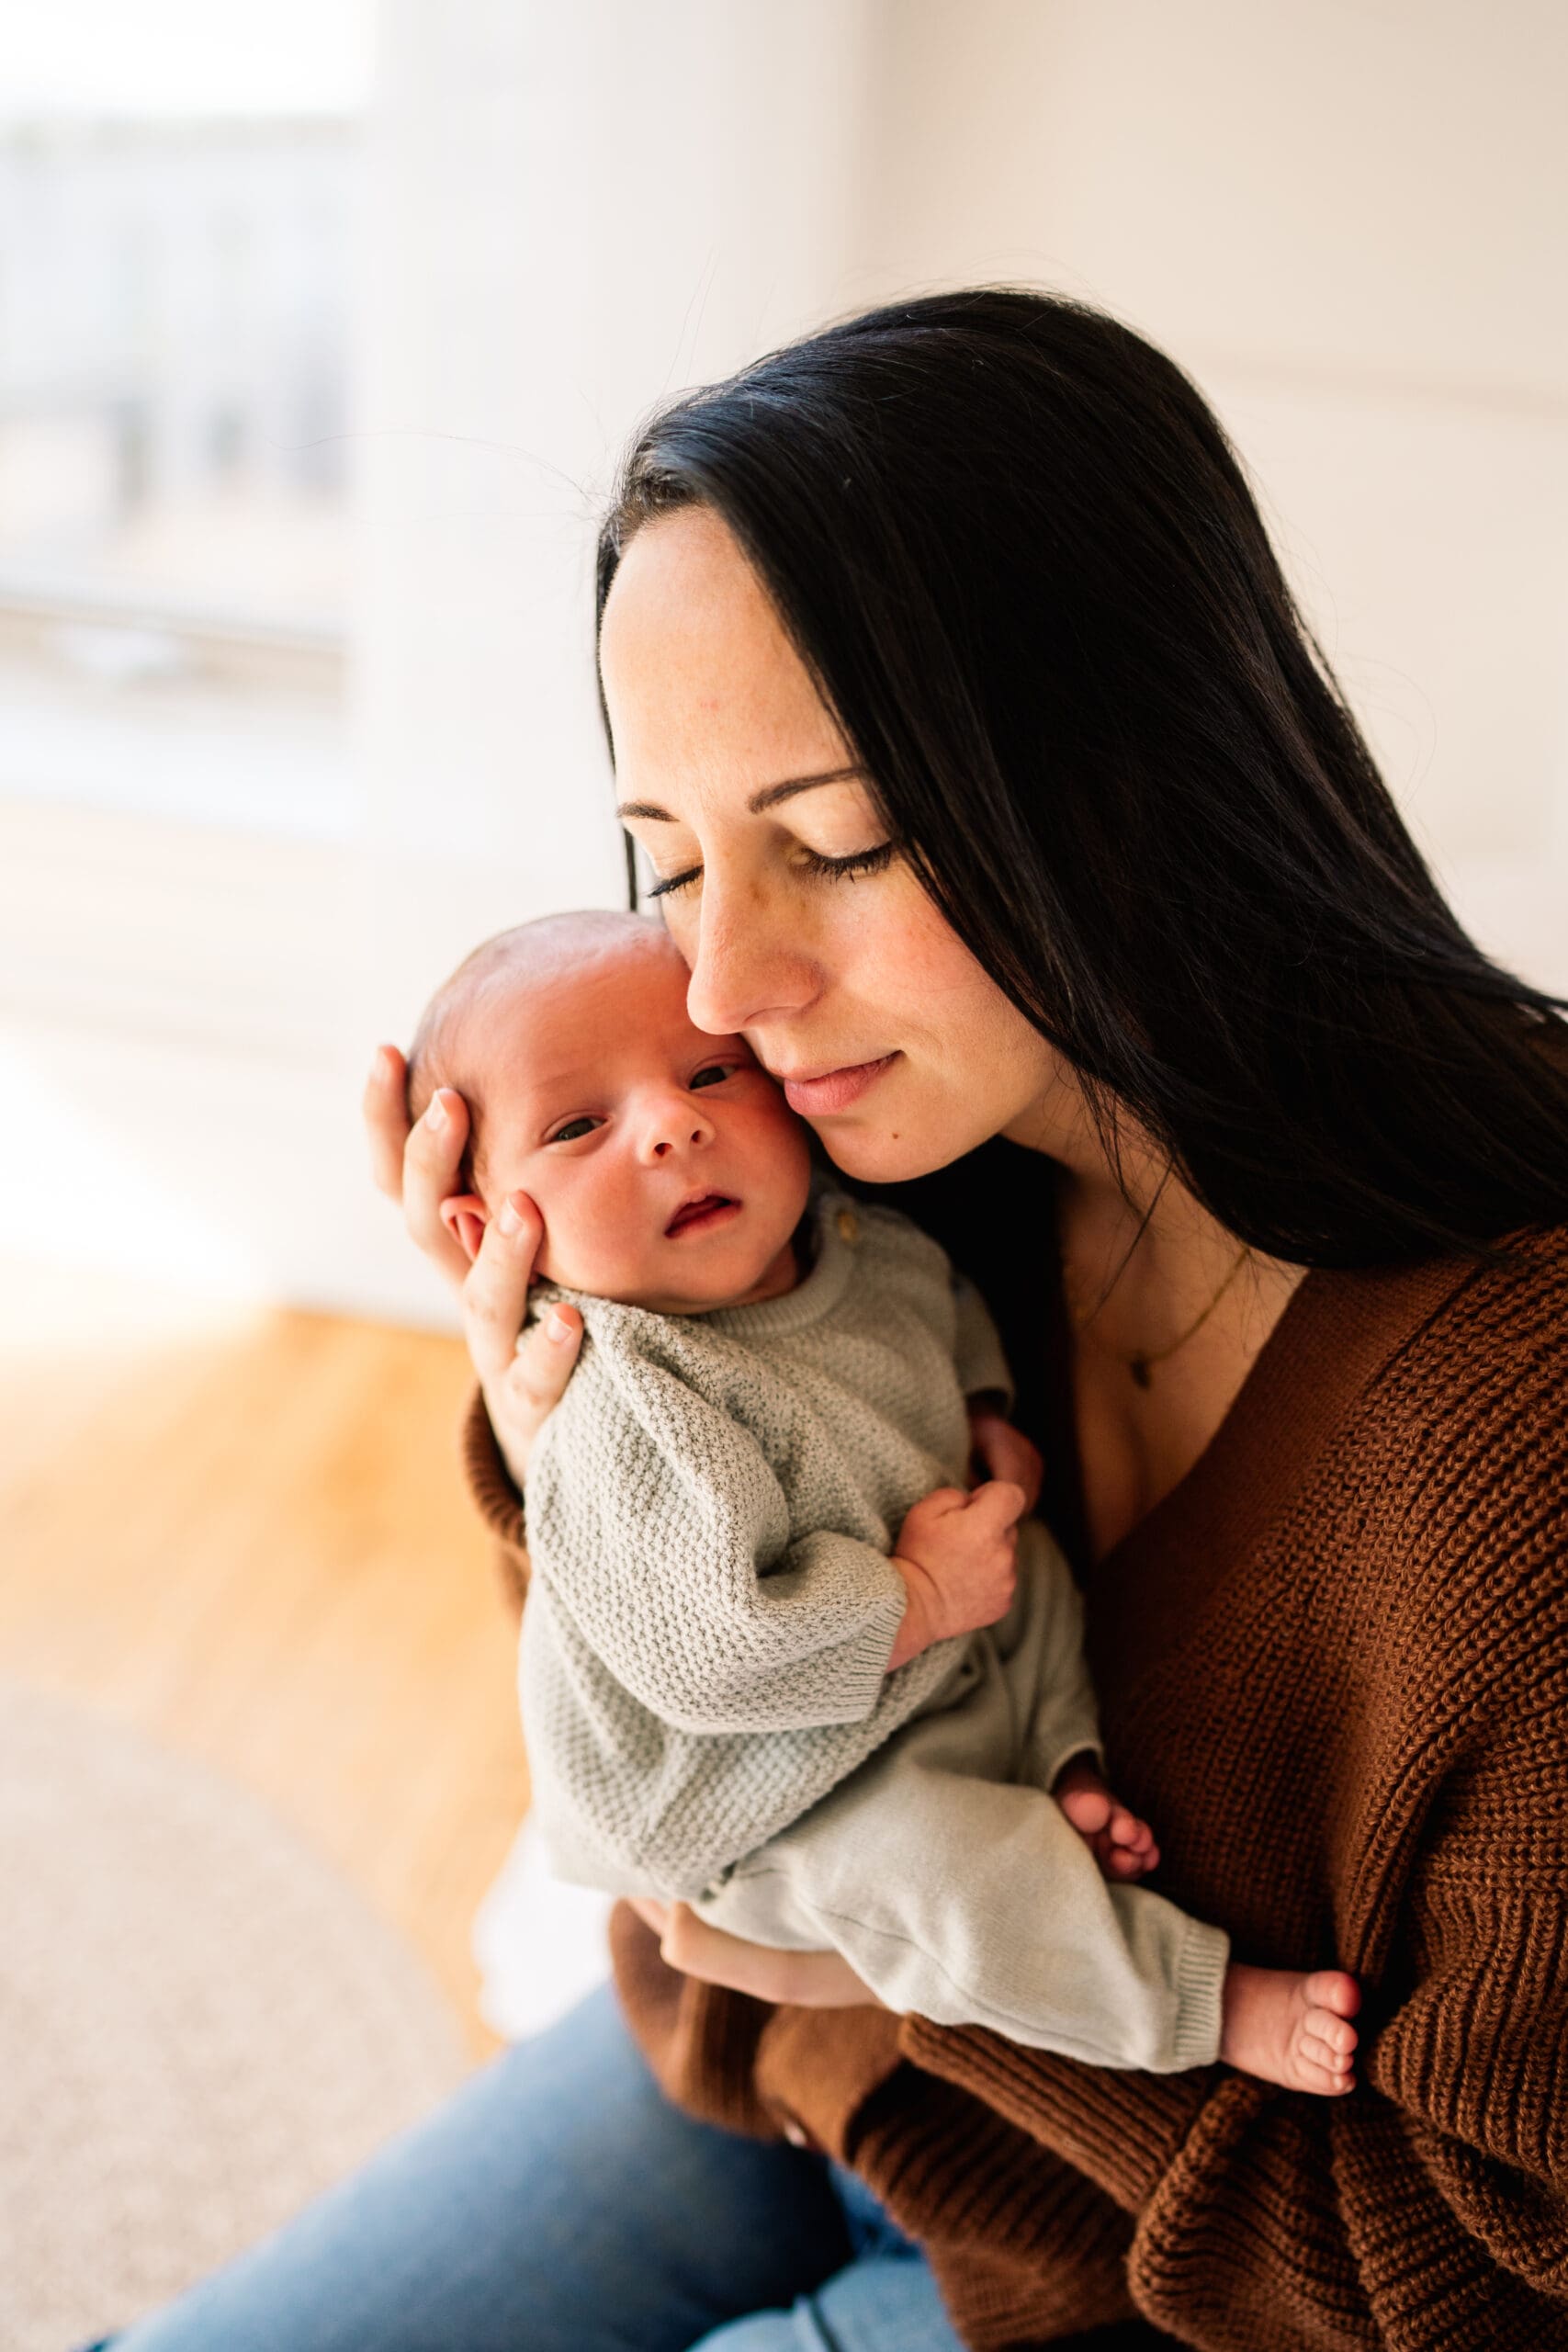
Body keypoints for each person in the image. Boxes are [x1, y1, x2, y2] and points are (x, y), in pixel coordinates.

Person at [97, 289, 1568, 2351]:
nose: (713, 990)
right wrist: (571, 1392)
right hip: (786, 2087)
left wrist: (923, 1981)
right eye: (665, 855)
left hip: (1169, 2290)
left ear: (1131, 778)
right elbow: (697, 1800)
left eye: (836, 841)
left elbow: (1484, 2270)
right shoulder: (854, 1174)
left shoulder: (1519, 1439)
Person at [400, 906, 1359, 2085]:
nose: (671, 1124)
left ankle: (1061, 1763)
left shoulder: (862, 1240)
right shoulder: (624, 1403)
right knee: (937, 1870)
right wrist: (915, 1593)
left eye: (710, 1071)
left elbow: (943, 1324)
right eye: (579, 1124)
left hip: (923, 1662)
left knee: (1040, 1583)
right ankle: (1202, 2007)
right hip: (758, 1797)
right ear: (486, 1226)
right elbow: (711, 1657)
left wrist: (990, 1416)